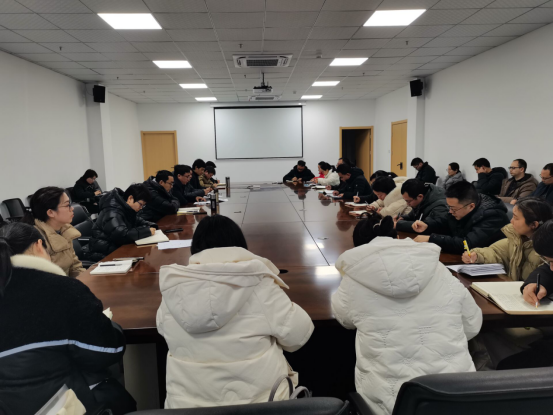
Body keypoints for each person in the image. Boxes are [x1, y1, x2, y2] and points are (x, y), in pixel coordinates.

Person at [156, 215, 314, 408]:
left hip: (185, 409)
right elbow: (298, 335)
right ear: (239, 245)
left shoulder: (175, 288)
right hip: (260, 408)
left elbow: (163, 329)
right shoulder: (259, 284)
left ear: (195, 248)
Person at [332, 214, 482, 415]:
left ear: (359, 247)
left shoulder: (354, 278)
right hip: (457, 399)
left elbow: (345, 320)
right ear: (396, 237)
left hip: (391, 406)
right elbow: (472, 324)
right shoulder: (438, 269)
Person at [0, 222, 135, 415]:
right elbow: (108, 351)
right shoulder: (63, 290)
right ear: (39, 245)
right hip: (67, 405)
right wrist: (109, 324)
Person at [463, 198, 552, 281]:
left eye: (516, 218)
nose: (511, 221)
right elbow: (496, 252)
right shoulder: (517, 238)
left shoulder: (547, 252)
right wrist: (477, 256)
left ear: (534, 224)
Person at [412, 181, 509, 254]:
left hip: (489, 267)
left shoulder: (493, 217)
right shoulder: (463, 207)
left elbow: (467, 245)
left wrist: (432, 239)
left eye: (453, 209)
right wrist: (427, 225)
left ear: (471, 206)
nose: (450, 211)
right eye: (449, 207)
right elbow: (446, 221)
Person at [22, 187, 84, 277]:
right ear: (51, 212)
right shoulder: (35, 241)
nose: (72, 208)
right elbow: (42, 279)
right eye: (67, 205)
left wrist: (84, 280)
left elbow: (75, 266)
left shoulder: (64, 230)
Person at [86, 184, 157, 259]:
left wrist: (150, 225)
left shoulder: (124, 207)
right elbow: (121, 234)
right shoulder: (112, 210)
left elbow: (136, 220)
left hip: (115, 247)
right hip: (103, 253)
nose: (141, 208)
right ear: (130, 198)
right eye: (141, 204)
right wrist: (146, 231)